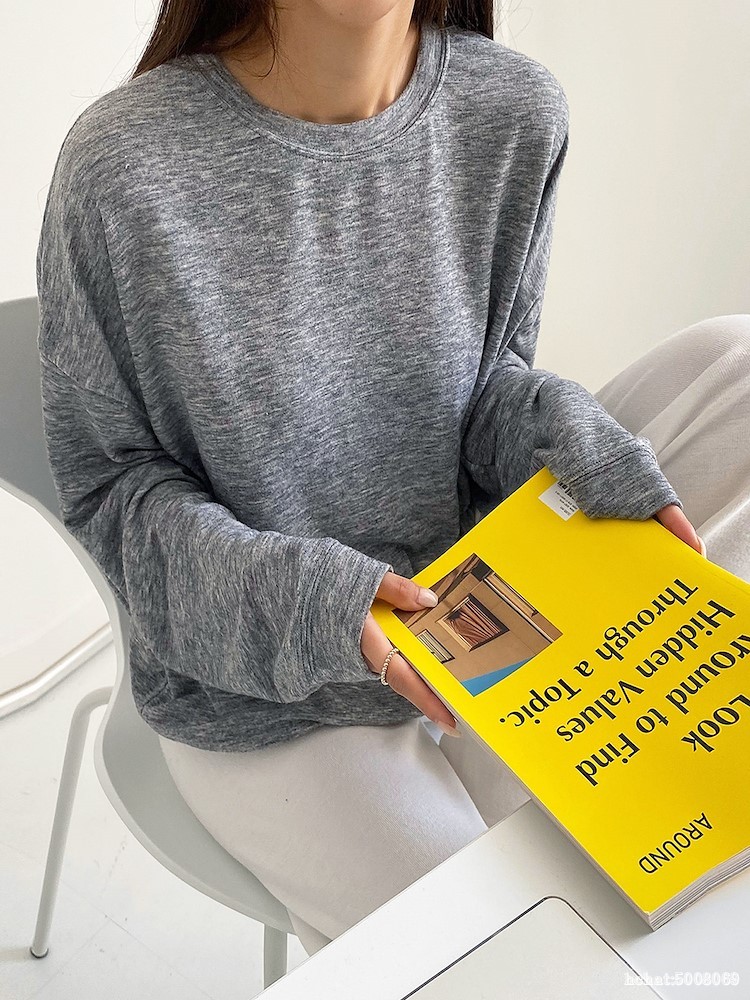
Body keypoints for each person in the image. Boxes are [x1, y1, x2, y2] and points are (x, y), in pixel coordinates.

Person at [36, 0, 748, 959]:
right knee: (517, 960)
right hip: (271, 690)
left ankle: (556, 742)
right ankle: (518, 790)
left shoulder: (512, 109)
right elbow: (115, 498)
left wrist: (584, 448)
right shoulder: (124, 164)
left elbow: (483, 385)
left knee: (737, 363)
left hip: (469, 598)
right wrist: (322, 604)